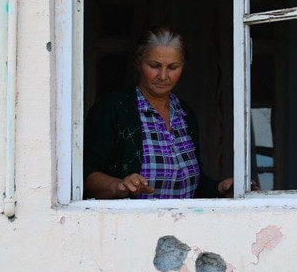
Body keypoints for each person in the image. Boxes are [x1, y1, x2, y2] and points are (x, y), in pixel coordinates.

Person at [83, 26, 234, 199]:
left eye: (173, 67)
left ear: (183, 67)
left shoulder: (185, 113)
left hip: (184, 217)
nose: (163, 76)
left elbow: (189, 183)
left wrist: (220, 188)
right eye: (154, 66)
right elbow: (84, 176)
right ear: (138, 62)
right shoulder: (113, 108)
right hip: (129, 217)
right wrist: (119, 186)